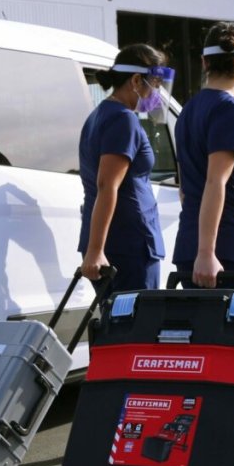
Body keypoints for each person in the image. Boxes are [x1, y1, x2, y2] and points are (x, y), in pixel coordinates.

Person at [173, 21, 234, 290]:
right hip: (227, 249)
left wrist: (200, 250)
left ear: (204, 63)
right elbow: (215, 181)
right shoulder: (231, 110)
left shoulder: (188, 111)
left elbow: (184, 189)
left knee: (198, 320)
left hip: (191, 244)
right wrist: (206, 252)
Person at [78, 44, 174, 293]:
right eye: (155, 84)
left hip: (116, 244)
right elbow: (106, 185)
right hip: (129, 246)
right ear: (136, 80)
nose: (157, 93)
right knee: (138, 317)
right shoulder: (124, 119)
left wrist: (95, 248)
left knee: (119, 316)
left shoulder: (99, 115)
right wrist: (96, 250)